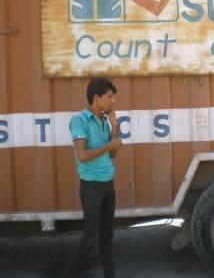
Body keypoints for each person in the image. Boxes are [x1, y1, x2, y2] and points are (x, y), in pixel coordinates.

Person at [62, 78, 122, 278]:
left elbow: (111, 154)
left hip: (107, 185)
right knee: (89, 240)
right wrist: (109, 146)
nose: (113, 101)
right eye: (109, 97)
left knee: (107, 236)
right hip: (92, 187)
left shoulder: (104, 121)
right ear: (96, 98)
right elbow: (83, 155)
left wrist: (114, 127)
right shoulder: (79, 120)